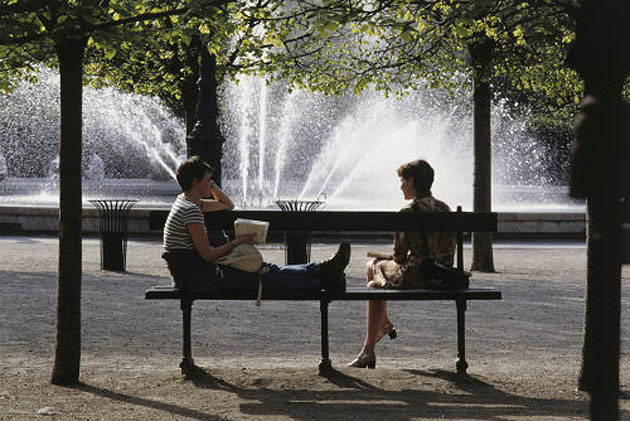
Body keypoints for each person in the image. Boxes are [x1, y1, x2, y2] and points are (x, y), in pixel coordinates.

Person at [162, 156, 350, 293]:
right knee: (259, 276)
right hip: (194, 276)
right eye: (207, 180)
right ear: (195, 181)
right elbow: (208, 255)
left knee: (265, 268)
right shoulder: (191, 210)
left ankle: (322, 270)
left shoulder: (189, 202)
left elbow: (228, 205)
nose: (210, 183)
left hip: (196, 271)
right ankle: (325, 283)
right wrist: (238, 242)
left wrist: (212, 187)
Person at [348, 159, 456, 369]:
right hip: (443, 275)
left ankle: (369, 350)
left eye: (402, 181)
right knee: (373, 267)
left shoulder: (408, 212)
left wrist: (391, 258)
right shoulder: (445, 209)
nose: (400, 186)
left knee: (373, 280)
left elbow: (398, 256)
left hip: (418, 275)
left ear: (411, 181)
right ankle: (383, 323)